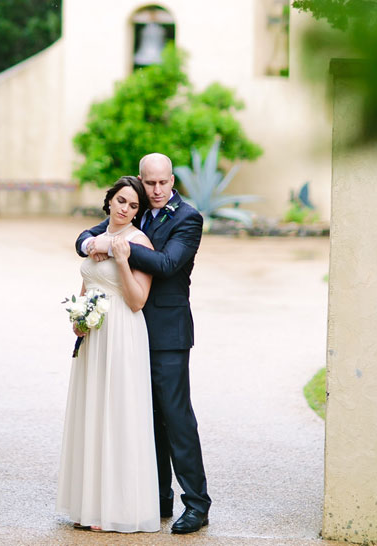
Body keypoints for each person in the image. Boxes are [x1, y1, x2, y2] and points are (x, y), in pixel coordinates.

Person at [76, 153, 211, 535]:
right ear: (141, 178)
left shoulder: (188, 218)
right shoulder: (133, 211)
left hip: (167, 334)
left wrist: (119, 245)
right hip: (127, 333)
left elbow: (168, 264)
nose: (155, 190)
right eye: (148, 183)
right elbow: (83, 238)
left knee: (176, 416)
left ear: (173, 181)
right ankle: (158, 497)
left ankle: (197, 504)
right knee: (144, 417)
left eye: (162, 183)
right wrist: (93, 242)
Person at [56, 176, 160, 533]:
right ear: (109, 200)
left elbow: (137, 300)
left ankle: (116, 508)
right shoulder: (93, 238)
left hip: (122, 335)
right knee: (92, 411)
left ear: (137, 212)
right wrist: (79, 317)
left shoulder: (138, 242)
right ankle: (89, 504)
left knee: (117, 413)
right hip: (94, 334)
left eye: (133, 205)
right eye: (120, 200)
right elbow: (87, 282)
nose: (125, 208)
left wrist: (121, 259)